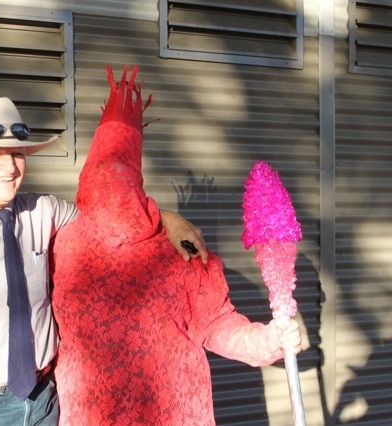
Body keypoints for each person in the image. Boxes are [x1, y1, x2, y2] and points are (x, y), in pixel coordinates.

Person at [0, 96, 207, 425]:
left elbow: (112, 218)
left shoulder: (42, 212)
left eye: (17, 154)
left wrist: (166, 218)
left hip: (45, 400)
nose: (9, 168)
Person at [50, 65, 302, 425]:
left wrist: (267, 340)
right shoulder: (58, 243)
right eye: (101, 177)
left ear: (136, 181)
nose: (111, 193)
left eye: (120, 178)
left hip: (175, 412)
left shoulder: (178, 248)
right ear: (86, 180)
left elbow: (215, 324)